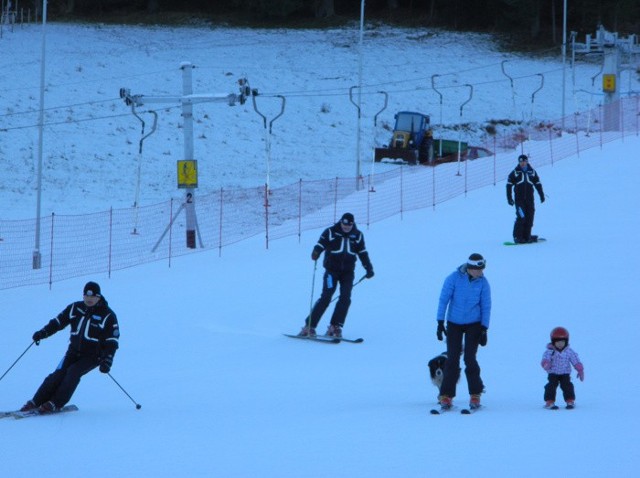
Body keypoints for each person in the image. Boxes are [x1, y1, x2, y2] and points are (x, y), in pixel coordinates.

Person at [19, 281, 119, 413]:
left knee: (73, 372)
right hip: (73, 352)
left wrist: (107, 360)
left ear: (99, 297)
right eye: (86, 296)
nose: (89, 299)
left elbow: (112, 341)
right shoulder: (75, 308)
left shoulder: (108, 315)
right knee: (57, 375)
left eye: (93, 296)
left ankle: (55, 403)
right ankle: (36, 401)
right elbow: (58, 322)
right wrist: (43, 333)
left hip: (93, 356)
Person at [299, 212, 374, 338]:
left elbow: (362, 252)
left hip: (348, 273)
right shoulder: (330, 232)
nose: (346, 228)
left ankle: (335, 327)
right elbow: (321, 243)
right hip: (331, 272)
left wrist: (368, 268)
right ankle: (309, 327)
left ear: (352, 224)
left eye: (348, 226)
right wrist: (316, 251)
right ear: (341, 222)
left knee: (345, 298)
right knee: (326, 297)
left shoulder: (358, 235)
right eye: (344, 225)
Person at [435, 253, 491, 410]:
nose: (480, 273)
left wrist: (484, 328)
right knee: (452, 359)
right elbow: (443, 299)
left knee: (469, 358)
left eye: (482, 269)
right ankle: (446, 395)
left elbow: (486, 306)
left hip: (474, 324)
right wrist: (440, 322)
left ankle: (475, 394)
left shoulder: (483, 283)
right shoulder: (453, 278)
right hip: (454, 323)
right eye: (477, 270)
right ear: (470, 268)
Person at [541, 326, 584, 409]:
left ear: (566, 342)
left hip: (565, 373)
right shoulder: (550, 352)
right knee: (551, 386)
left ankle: (570, 400)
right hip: (553, 373)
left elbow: (575, 360)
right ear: (553, 342)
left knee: (567, 386)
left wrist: (580, 369)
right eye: (558, 342)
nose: (560, 344)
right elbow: (545, 359)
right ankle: (549, 401)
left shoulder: (569, 352)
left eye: (562, 342)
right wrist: (546, 364)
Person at [506, 154, 545, 244]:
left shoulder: (532, 172)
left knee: (530, 217)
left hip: (529, 199)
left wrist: (541, 195)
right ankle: (517, 237)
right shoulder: (515, 173)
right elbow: (508, 185)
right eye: (521, 162)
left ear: (527, 162)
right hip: (519, 200)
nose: (523, 163)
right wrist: (509, 198)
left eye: (524, 161)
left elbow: (538, 183)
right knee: (521, 217)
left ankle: (527, 236)